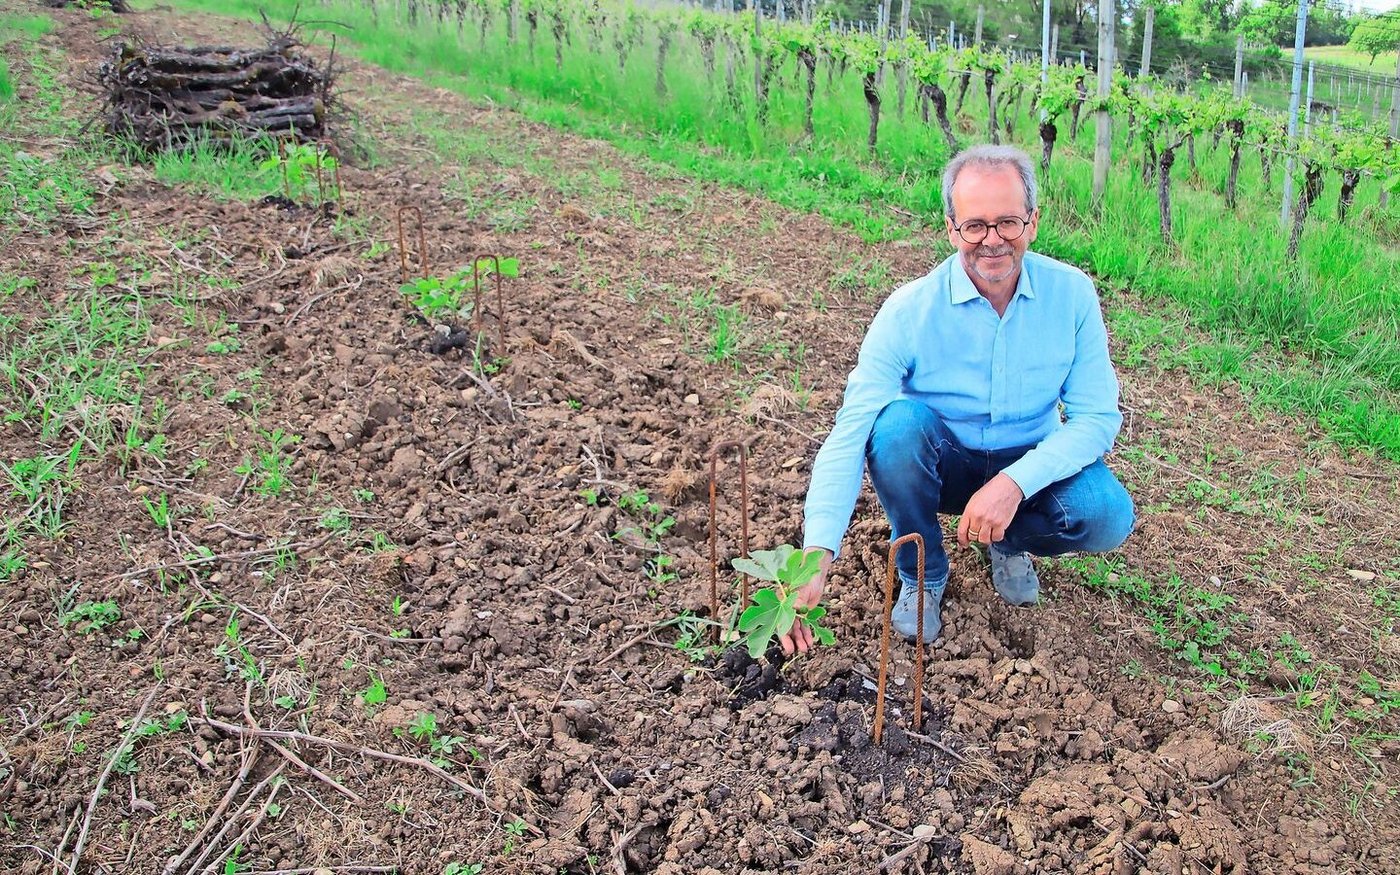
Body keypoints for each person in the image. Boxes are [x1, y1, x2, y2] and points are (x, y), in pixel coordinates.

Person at [780, 144, 1135, 654]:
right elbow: (851, 430)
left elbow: (1097, 418)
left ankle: (1007, 541)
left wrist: (1014, 484)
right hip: (945, 464)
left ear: (1033, 222)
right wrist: (816, 554)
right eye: (975, 226)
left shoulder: (1071, 295)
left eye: (1008, 223)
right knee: (895, 428)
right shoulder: (908, 311)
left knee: (1105, 513)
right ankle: (922, 572)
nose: (992, 241)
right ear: (951, 229)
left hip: (1029, 460)